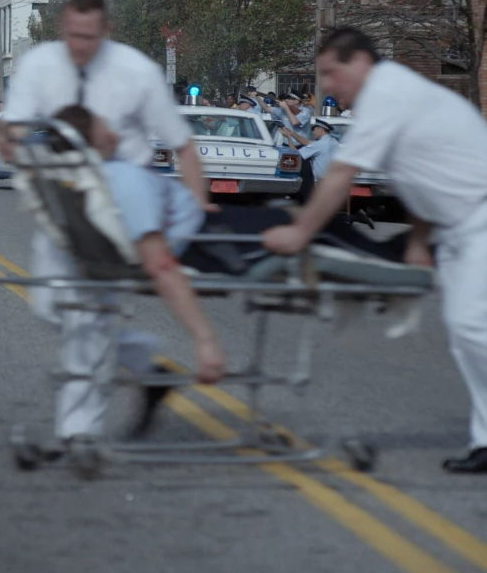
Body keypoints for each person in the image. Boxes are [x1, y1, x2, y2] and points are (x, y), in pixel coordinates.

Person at [262, 28, 487, 474]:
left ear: (359, 62)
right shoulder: (393, 96)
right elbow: (426, 175)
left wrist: (300, 232)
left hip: (479, 218)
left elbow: (342, 173)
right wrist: (420, 242)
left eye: (331, 73)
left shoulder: (389, 94)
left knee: (470, 325)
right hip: (457, 227)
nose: (327, 85)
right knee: (464, 333)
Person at [0, 0, 211, 447]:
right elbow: (12, 124)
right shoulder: (40, 66)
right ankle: (147, 366)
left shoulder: (136, 72)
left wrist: (198, 209)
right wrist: (10, 140)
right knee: (51, 306)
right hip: (64, 199)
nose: (80, 45)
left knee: (88, 317)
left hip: (117, 205)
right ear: (63, 28)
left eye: (89, 36)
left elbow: (183, 143)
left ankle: (79, 436)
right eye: (73, 35)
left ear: (106, 30)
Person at [52, 105, 226, 436]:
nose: (116, 134)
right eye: (106, 128)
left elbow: (155, 258)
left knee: (82, 326)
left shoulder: (90, 181)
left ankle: (83, 431)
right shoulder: (121, 178)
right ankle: (88, 426)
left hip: (206, 234)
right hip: (208, 237)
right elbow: (159, 262)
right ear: (89, 142)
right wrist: (205, 339)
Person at [280, 119, 338, 203]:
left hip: (321, 181)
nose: (312, 133)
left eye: (314, 130)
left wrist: (288, 138)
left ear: (320, 130)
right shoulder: (332, 141)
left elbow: (296, 155)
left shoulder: (320, 144)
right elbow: (307, 142)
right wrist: (292, 133)